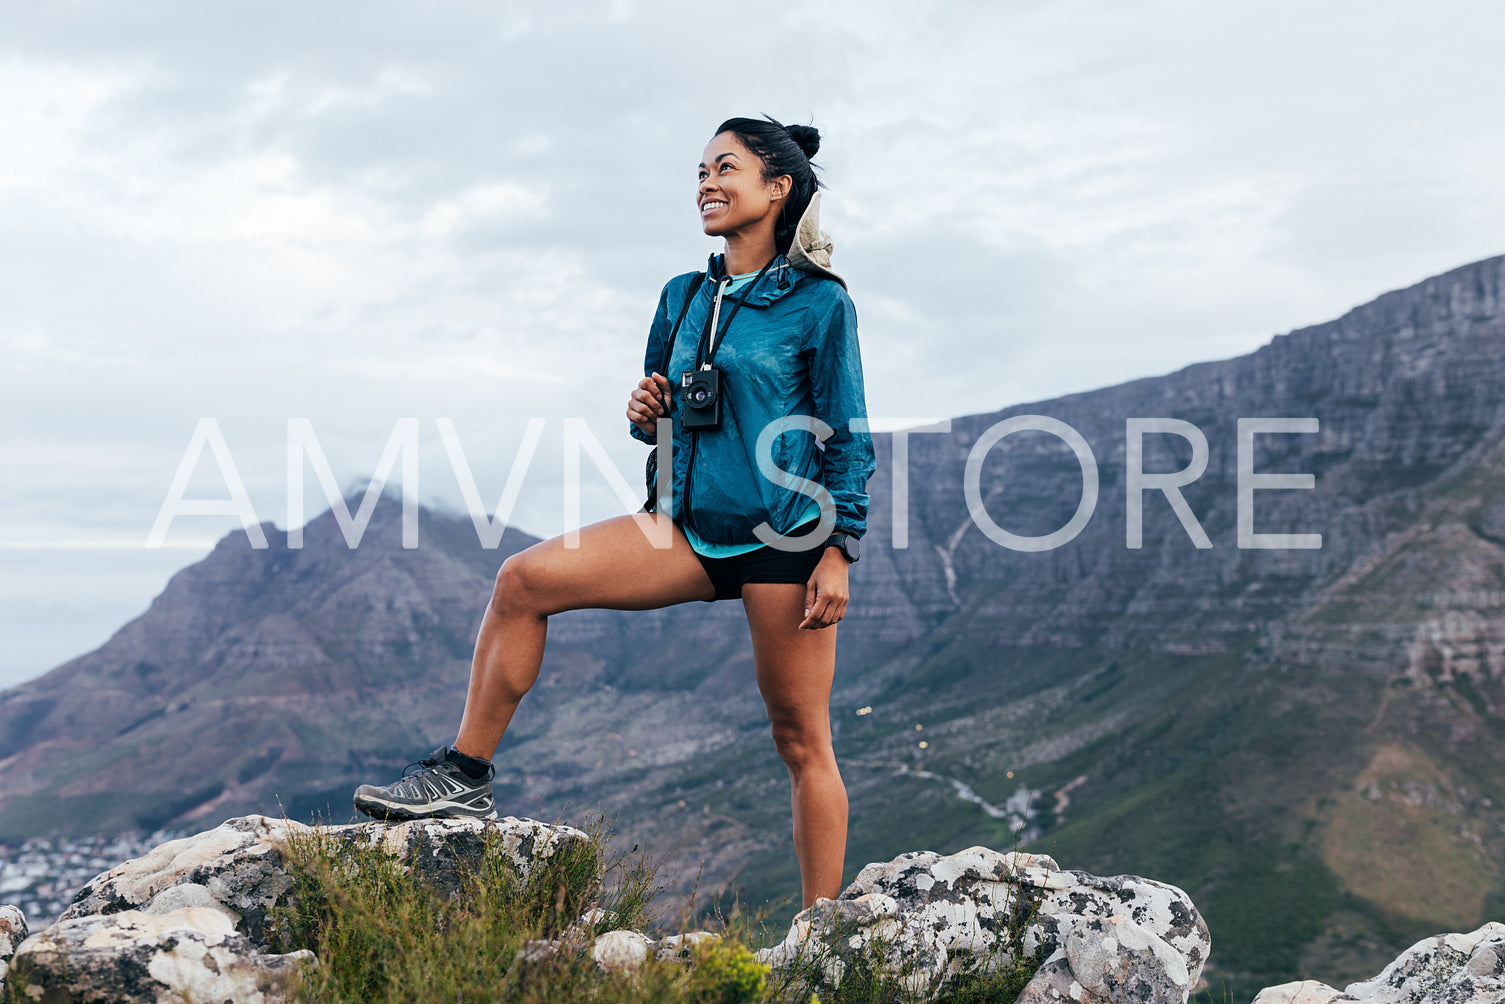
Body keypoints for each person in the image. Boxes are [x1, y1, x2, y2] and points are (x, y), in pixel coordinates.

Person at [353, 116, 876, 909]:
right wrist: (646, 409)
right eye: (699, 169)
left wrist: (841, 546)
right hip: (685, 522)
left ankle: (819, 932)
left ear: (778, 187)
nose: (704, 182)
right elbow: (659, 418)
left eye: (724, 167)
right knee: (523, 580)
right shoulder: (682, 295)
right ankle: (463, 775)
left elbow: (846, 431)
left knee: (800, 740)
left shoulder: (817, 304)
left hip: (784, 535)